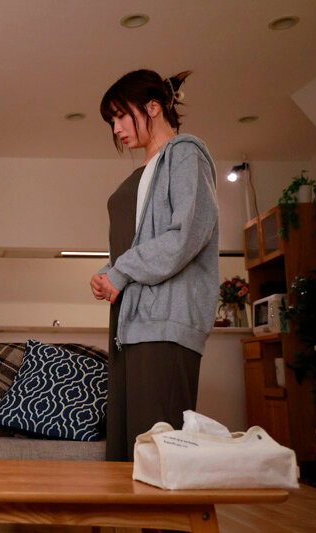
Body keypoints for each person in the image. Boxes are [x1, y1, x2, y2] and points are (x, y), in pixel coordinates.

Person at [90, 69, 219, 462]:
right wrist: (109, 273)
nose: (116, 129)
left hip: (165, 321)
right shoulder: (144, 171)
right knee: (128, 452)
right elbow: (138, 240)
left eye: (120, 116)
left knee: (158, 455)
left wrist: (121, 272)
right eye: (111, 121)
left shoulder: (185, 154)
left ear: (152, 107)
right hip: (129, 323)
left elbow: (186, 235)